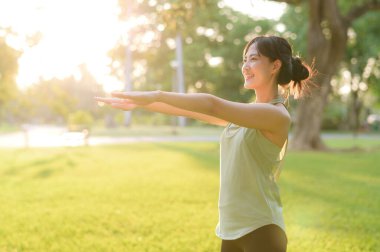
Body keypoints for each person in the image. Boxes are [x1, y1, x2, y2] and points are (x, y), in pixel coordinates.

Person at [94, 34, 313, 252]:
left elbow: (211, 104)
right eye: (244, 59)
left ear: (275, 65)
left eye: (253, 59)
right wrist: (141, 103)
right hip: (231, 230)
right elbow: (190, 110)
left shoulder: (276, 115)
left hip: (262, 231)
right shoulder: (244, 115)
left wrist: (157, 94)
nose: (245, 66)